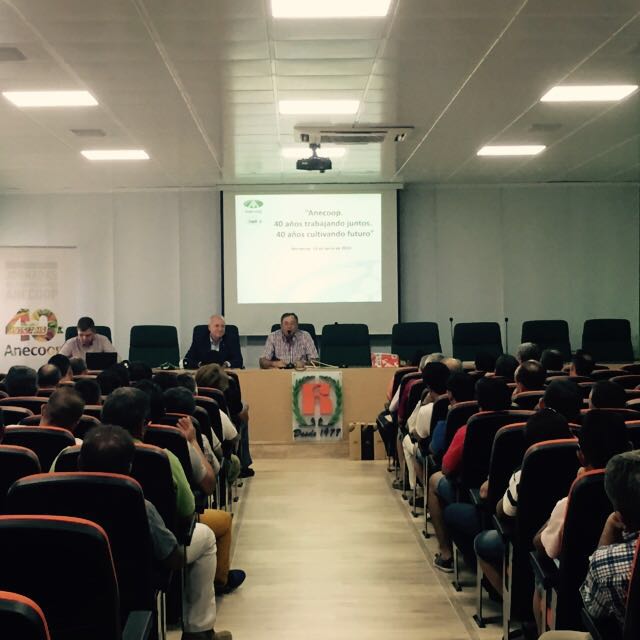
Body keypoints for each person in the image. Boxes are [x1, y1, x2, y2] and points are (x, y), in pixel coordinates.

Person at [78, 425, 232, 640]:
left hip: (71, 586)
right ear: (129, 467)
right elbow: (172, 558)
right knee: (205, 536)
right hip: (134, 586)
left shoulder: (50, 494)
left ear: (79, 462)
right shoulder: (140, 505)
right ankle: (199, 631)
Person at [473, 409, 573, 594]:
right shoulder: (582, 470)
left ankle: (510, 599)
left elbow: (504, 512)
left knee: (481, 541)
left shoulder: (524, 474)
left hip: (529, 545)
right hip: (570, 550)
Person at [427, 377, 512, 571]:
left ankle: (446, 555)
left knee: (434, 480)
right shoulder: (520, 426)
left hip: (477, 498)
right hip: (512, 500)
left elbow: (447, 468)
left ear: (478, 402)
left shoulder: (469, 428)